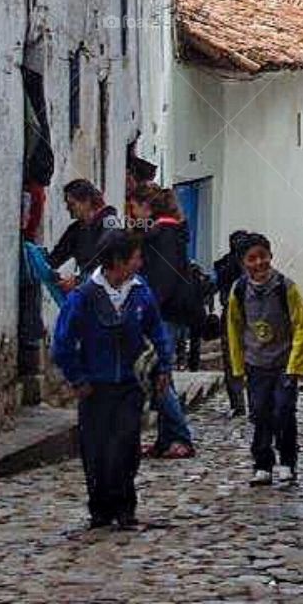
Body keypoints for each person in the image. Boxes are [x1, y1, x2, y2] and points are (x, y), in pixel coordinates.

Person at [52, 229, 173, 531]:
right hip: (96, 386)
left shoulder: (140, 291)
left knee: (126, 445)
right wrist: (78, 378)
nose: (140, 262)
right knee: (96, 450)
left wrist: (163, 366)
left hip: (130, 385)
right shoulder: (84, 297)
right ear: (118, 261)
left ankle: (125, 508)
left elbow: (157, 331)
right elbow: (62, 343)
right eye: (136, 257)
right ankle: (100, 510)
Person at [226, 233, 303, 487]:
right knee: (260, 414)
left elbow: (301, 326)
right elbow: (234, 328)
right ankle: (262, 463)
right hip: (256, 364)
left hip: (284, 364)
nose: (259, 263)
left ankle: (287, 461)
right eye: (252, 259)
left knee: (284, 412)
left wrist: (295, 365)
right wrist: (238, 366)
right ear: (243, 263)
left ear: (271, 256)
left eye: (263, 256)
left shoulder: (286, 287)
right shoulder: (239, 291)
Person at [129, 183, 196, 460]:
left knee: (159, 376)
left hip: (165, 313)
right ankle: (166, 440)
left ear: (148, 207)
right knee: (158, 375)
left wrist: (149, 311)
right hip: (169, 311)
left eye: (134, 207)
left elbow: (164, 280)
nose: (131, 214)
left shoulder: (163, 235)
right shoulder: (167, 233)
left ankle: (181, 437)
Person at [48, 179, 121, 290]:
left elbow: (111, 263)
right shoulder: (76, 230)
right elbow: (55, 258)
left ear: (87, 201)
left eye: (72, 204)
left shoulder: (110, 224)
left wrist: (79, 280)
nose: (68, 209)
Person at [215, 229, 250, 416]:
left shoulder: (226, 264)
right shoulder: (229, 265)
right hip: (242, 313)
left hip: (241, 313)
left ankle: (239, 403)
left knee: (233, 359)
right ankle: (243, 402)